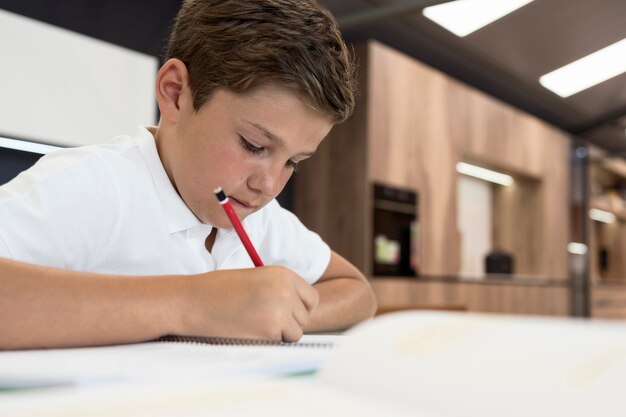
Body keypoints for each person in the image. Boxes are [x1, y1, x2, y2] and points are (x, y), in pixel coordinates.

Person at [0, 0, 377, 350]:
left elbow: (356, 292)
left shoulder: (263, 220)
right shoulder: (95, 185)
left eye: (294, 162)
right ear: (176, 92)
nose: (269, 186)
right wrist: (195, 304)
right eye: (253, 145)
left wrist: (275, 311)